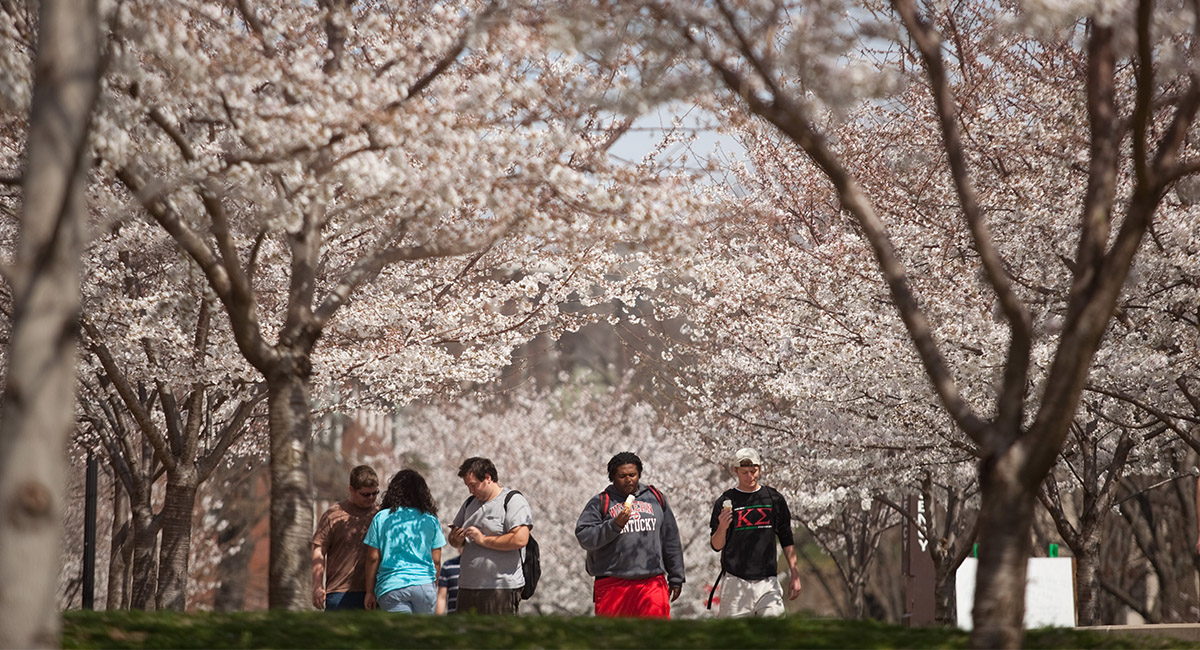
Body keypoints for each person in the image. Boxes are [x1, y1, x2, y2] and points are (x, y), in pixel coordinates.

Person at [574, 451, 686, 618]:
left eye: (632, 475)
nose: (628, 480)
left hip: (652, 581)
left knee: (657, 633)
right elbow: (585, 537)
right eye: (622, 476)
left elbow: (670, 538)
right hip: (613, 584)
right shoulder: (601, 502)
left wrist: (676, 576)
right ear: (612, 477)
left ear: (639, 474)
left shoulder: (655, 498)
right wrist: (614, 525)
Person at [709, 447, 802, 617]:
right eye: (744, 472)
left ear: (759, 468)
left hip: (768, 582)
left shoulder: (774, 499)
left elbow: (786, 538)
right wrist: (722, 527)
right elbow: (716, 545)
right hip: (735, 582)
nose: (750, 476)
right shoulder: (725, 501)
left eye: (754, 471)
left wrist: (794, 574)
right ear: (735, 471)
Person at [448, 457, 533, 615]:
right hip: (467, 586)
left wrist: (483, 540)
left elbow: (520, 539)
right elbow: (452, 539)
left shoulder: (512, 500)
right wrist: (456, 539)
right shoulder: (469, 503)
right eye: (468, 486)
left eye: (473, 485)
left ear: (488, 478)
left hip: (500, 588)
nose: (471, 491)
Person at [363, 469, 447, 613]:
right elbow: (436, 560)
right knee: (422, 628)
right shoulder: (430, 520)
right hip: (424, 585)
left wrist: (369, 592)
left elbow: (373, 558)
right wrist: (432, 584)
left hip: (392, 586)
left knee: (400, 628)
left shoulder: (382, 518)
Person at [312, 464, 380, 610]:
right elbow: (319, 550)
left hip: (374, 591)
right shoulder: (333, 516)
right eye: (365, 494)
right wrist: (317, 586)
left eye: (375, 493)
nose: (371, 498)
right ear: (352, 490)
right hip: (339, 591)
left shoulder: (380, 515)